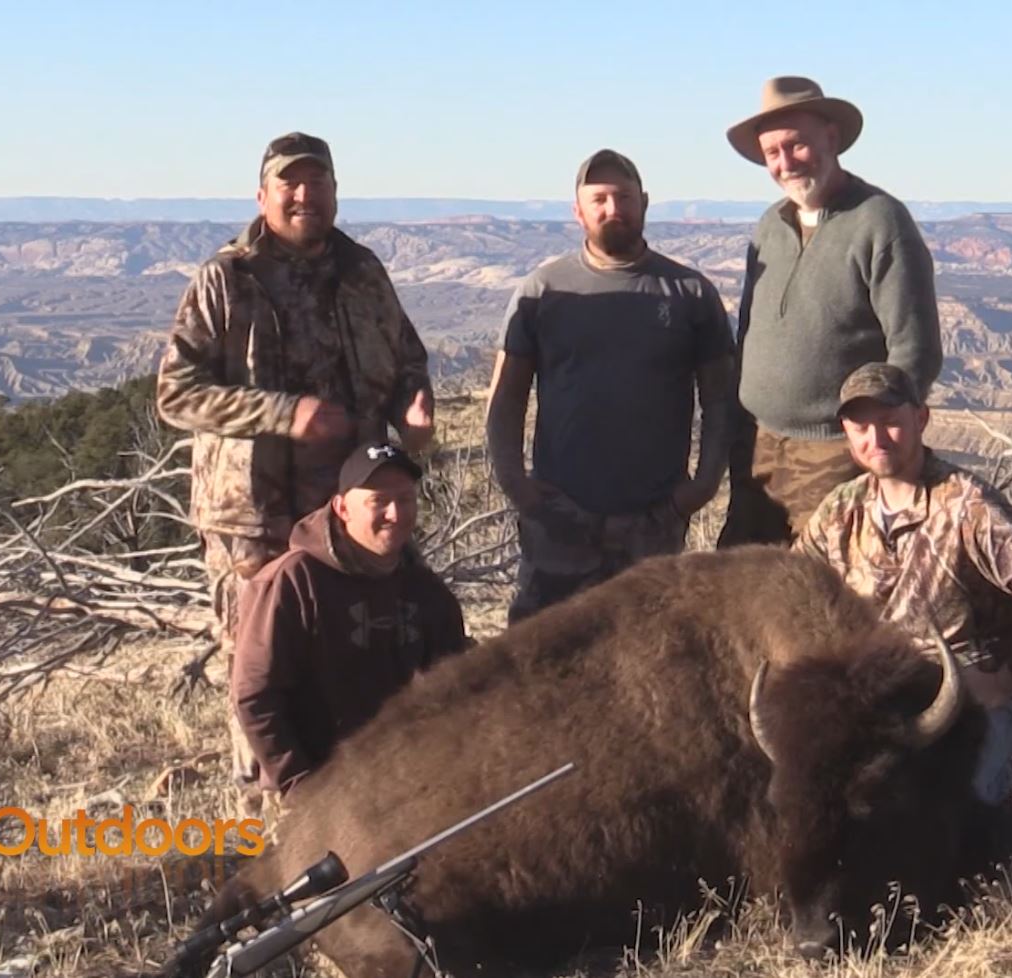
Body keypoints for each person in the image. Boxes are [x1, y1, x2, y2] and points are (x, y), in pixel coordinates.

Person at [155, 131, 436, 792]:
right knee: (261, 669)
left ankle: (363, 808)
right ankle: (270, 816)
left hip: (354, 511)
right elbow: (175, 392)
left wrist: (415, 404)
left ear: (336, 192)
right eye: (291, 184)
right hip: (256, 516)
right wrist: (285, 414)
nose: (305, 195)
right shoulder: (226, 279)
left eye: (318, 183)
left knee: (364, 656)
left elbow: (408, 357)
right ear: (264, 195)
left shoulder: (363, 271)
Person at [794, 363, 1012, 827]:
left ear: (921, 419)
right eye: (861, 426)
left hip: (969, 702)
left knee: (937, 817)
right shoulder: (840, 510)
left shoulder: (966, 504)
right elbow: (793, 593)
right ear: (847, 433)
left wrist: (1005, 683)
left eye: (891, 420)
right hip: (880, 697)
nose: (877, 438)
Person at [485, 149, 734, 623]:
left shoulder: (690, 293)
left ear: (644, 203)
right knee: (545, 655)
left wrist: (700, 488)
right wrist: (519, 487)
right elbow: (507, 396)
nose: (612, 208)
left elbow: (720, 399)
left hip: (654, 519)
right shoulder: (543, 289)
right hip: (561, 517)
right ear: (577, 211)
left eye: (623, 196)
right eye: (598, 198)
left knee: (652, 655)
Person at [719, 76, 943, 546]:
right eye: (771, 154)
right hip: (757, 448)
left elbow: (914, 350)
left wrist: (876, 443)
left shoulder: (880, 220)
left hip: (835, 453)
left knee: (823, 592)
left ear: (832, 138)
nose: (785, 163)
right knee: (748, 590)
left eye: (796, 145)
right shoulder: (768, 226)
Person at [232, 442, 469, 797]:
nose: (395, 513)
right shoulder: (294, 581)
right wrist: (300, 787)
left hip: (405, 784)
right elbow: (254, 695)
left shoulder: (426, 591)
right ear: (342, 508)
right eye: (378, 502)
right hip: (315, 789)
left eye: (405, 499)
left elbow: (457, 684)